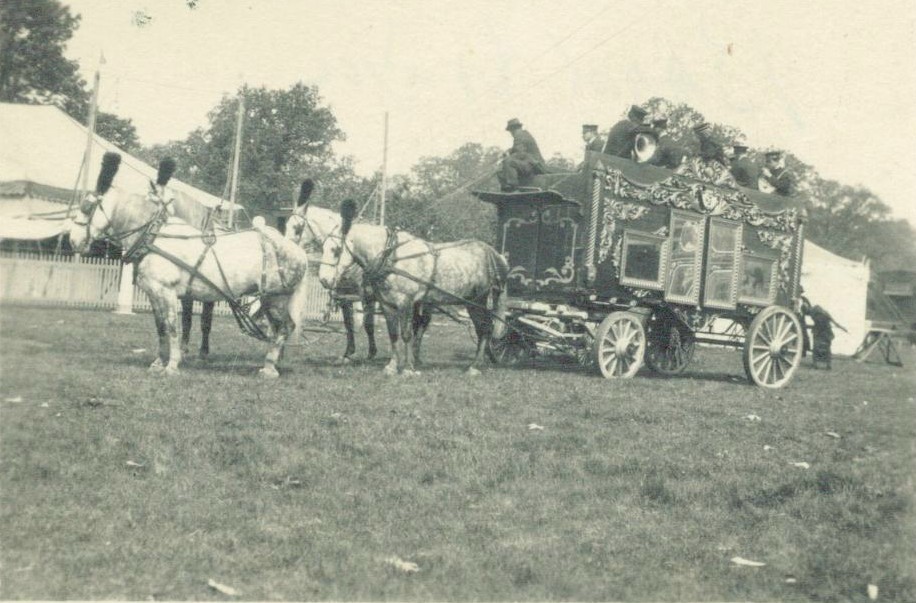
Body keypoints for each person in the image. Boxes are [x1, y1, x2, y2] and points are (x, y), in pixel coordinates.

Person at [497, 118, 547, 192]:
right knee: (503, 169)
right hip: (531, 164)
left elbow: (520, 154)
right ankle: (510, 187)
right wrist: (509, 151)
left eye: (511, 131)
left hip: (533, 165)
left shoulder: (519, 135)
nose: (511, 133)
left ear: (513, 129)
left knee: (508, 162)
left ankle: (512, 186)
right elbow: (518, 149)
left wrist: (508, 155)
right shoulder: (524, 134)